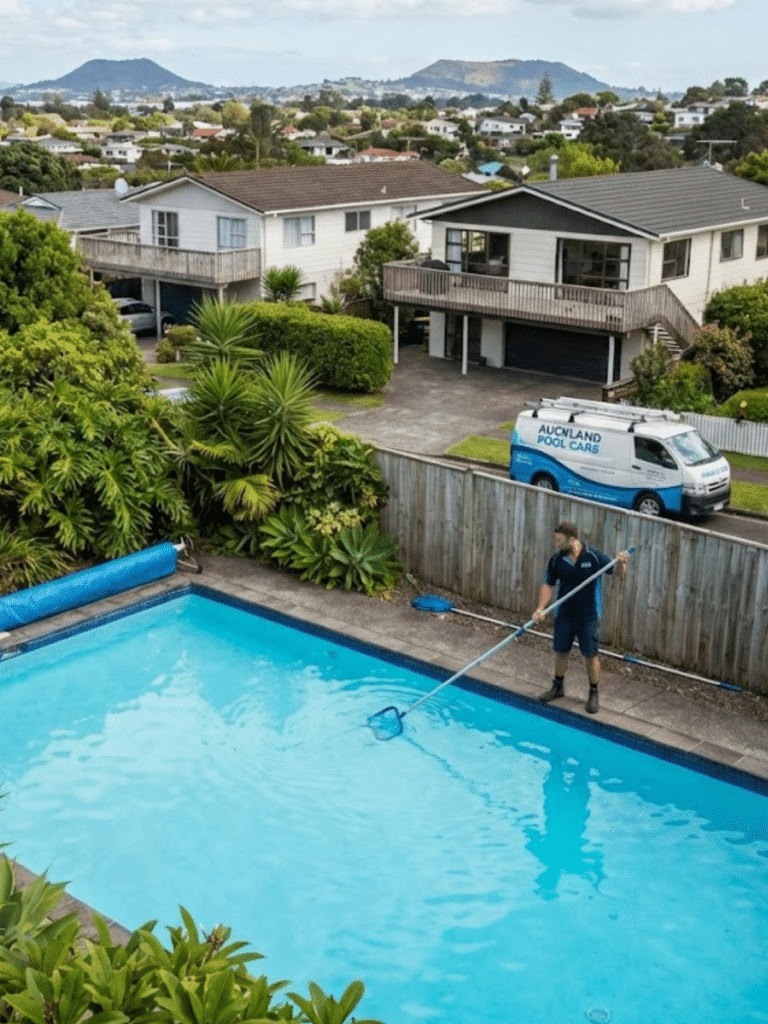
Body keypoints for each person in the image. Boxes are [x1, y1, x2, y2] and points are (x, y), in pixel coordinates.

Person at [533, 521, 628, 715]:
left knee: (591, 655)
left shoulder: (593, 556)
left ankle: (593, 692)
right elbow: (548, 585)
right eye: (555, 540)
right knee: (561, 652)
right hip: (564, 615)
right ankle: (557, 686)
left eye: (559, 541)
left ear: (572, 539)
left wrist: (621, 563)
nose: (556, 544)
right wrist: (540, 608)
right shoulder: (556, 560)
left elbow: (618, 575)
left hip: (588, 616)